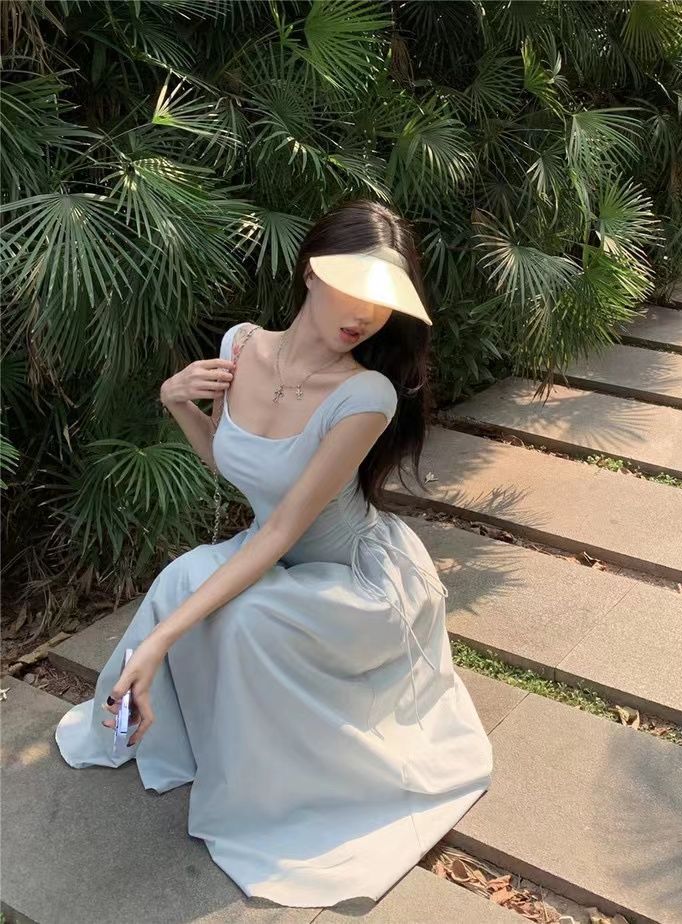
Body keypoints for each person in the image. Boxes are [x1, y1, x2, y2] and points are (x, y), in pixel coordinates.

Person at [54, 198, 493, 908]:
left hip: (349, 580)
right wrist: (177, 402)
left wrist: (161, 641)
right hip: (273, 553)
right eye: (352, 288)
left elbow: (285, 526)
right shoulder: (240, 346)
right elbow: (238, 467)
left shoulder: (367, 394)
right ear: (311, 272)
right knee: (182, 578)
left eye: (383, 302)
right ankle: (150, 726)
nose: (365, 315)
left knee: (246, 619)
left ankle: (271, 789)